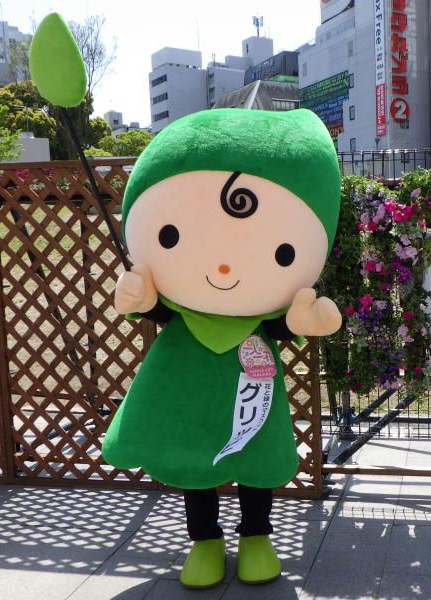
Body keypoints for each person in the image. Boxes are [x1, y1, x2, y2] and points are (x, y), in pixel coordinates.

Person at [101, 108, 341, 588]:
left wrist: (298, 322)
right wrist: (143, 300)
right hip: (188, 390)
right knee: (195, 462)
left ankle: (256, 536)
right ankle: (205, 540)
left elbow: (275, 327)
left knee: (254, 458)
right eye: (170, 236)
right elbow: (163, 313)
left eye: (283, 253)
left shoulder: (261, 314)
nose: (224, 269)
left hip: (253, 387)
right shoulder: (181, 305)